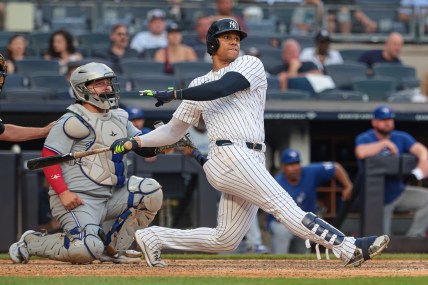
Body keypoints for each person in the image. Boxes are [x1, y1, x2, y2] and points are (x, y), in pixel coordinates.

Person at [110, 18, 389, 268]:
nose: (234, 41)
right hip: (229, 156)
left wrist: (174, 93)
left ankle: (153, 236)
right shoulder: (198, 83)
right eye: (227, 37)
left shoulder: (249, 64)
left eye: (237, 37)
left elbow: (222, 87)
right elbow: (172, 132)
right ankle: (348, 247)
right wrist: (132, 143)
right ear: (211, 43)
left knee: (225, 240)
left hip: (251, 157)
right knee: (283, 205)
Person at [8, 62, 167, 265]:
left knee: (150, 191)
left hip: (112, 195)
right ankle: (31, 243)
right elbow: (49, 157)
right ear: (82, 88)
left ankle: (113, 249)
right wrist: (63, 192)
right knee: (87, 249)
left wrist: (163, 143)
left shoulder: (120, 117)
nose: (107, 87)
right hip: (78, 199)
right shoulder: (72, 120)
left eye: (108, 82)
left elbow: (143, 146)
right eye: (99, 83)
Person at [355, 105, 428, 237]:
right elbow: (361, 152)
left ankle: (413, 237)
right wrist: (384, 144)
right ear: (374, 122)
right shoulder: (365, 138)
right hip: (376, 200)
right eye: (383, 120)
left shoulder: (401, 137)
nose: (387, 122)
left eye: (390, 119)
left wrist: (423, 158)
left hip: (398, 192)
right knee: (382, 240)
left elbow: (420, 149)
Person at [268, 148, 353, 254]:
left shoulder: (309, 172)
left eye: (297, 163)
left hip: (303, 222)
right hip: (282, 222)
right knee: (281, 232)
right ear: (283, 167)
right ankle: (277, 265)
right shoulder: (277, 182)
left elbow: (335, 167)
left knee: (303, 247)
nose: (294, 167)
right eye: (290, 164)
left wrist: (348, 186)